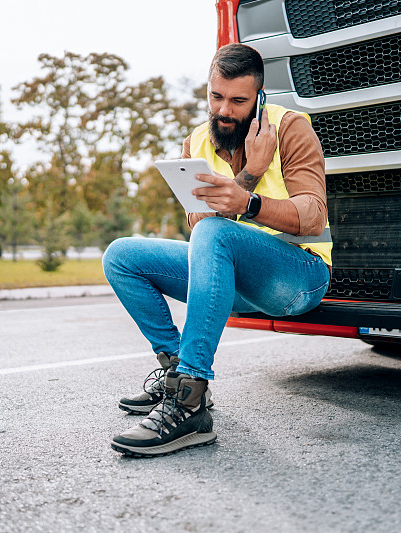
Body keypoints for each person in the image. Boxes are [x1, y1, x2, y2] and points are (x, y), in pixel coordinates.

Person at [102, 43, 332, 457]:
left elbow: (313, 216)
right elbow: (198, 224)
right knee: (121, 255)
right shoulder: (196, 143)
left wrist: (249, 202)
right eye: (216, 96)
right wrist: (250, 174)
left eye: (238, 101)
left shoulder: (292, 128)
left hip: (298, 277)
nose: (224, 110)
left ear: (259, 98)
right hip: (228, 275)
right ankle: (174, 375)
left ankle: (190, 402)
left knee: (213, 234)